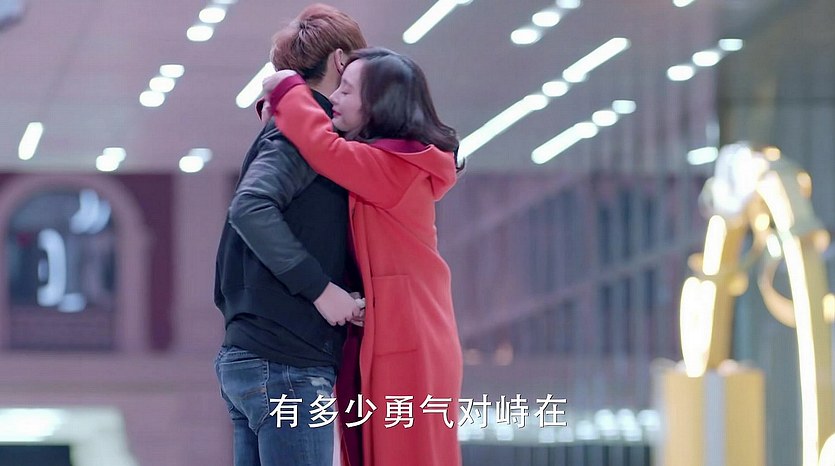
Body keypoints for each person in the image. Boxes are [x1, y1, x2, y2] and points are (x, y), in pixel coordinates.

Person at [262, 47, 464, 466]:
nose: (334, 97)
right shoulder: (393, 162)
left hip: (409, 336)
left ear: (377, 104)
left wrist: (286, 86)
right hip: (404, 328)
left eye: (347, 90)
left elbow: (323, 148)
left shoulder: (397, 166)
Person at [213, 5, 367, 466]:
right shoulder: (305, 130)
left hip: (261, 355)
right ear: (340, 60)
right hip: (287, 362)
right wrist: (321, 289)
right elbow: (250, 207)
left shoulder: (292, 127)